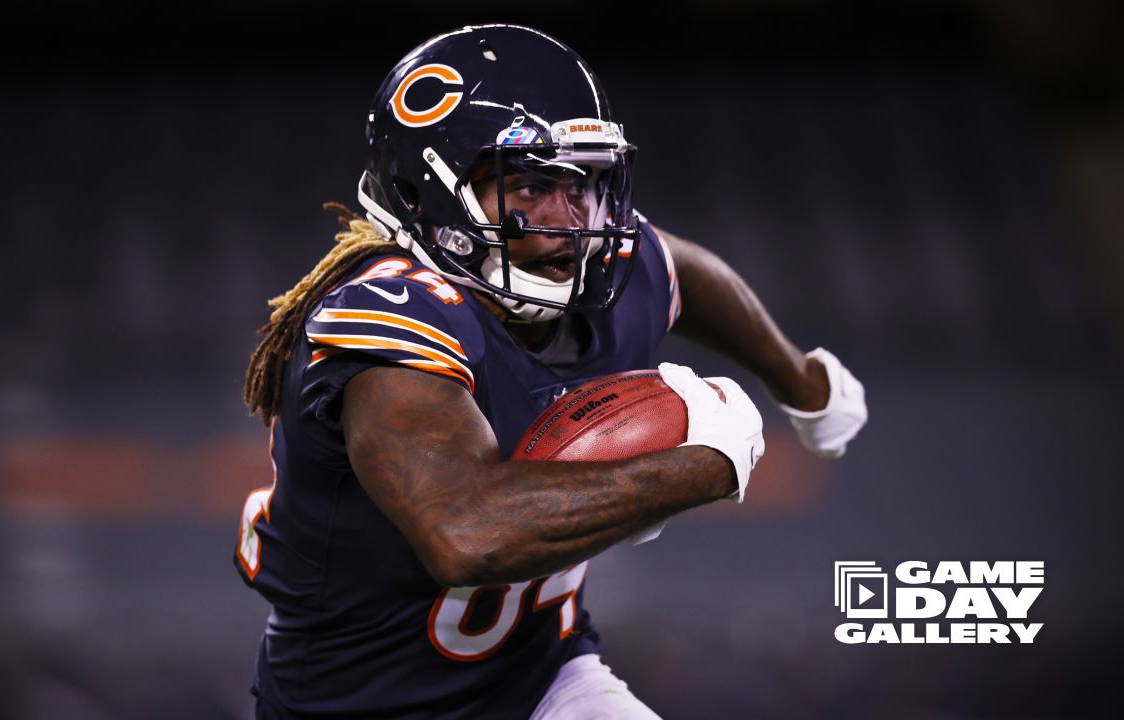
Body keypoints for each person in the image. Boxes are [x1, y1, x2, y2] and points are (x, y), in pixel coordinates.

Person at [235, 24, 867, 719]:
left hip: (543, 680)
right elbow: (465, 533)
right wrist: (706, 464)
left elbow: (673, 265)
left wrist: (800, 380)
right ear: (429, 191)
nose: (571, 219)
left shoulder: (605, 269)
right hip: (358, 708)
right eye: (532, 183)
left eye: (584, 183)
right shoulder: (389, 312)